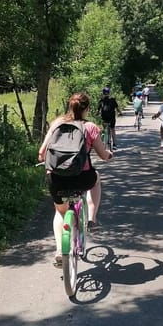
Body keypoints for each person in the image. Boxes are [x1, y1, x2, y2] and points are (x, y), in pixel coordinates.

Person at [38, 92, 113, 267]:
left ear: (69, 106)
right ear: (87, 108)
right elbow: (103, 155)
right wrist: (109, 155)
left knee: (60, 212)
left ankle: (59, 251)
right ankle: (92, 219)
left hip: (57, 179)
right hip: (83, 178)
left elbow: (41, 153)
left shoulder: (57, 124)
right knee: (96, 179)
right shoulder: (90, 127)